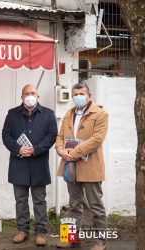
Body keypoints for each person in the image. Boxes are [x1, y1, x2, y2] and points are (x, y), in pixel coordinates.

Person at [2, 84, 57, 246]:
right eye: (27, 93)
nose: (30, 95)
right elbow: (6, 135)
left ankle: (41, 232)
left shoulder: (48, 114)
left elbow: (52, 135)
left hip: (39, 163)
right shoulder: (12, 114)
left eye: (33, 93)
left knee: (39, 199)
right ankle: (22, 230)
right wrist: (18, 148)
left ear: (38, 96)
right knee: (21, 199)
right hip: (19, 163)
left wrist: (35, 150)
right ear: (21, 97)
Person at [56, 83, 108, 250]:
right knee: (73, 204)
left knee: (96, 205)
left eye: (81, 93)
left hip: (91, 166)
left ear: (89, 95)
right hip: (71, 166)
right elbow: (60, 136)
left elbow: (98, 139)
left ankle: (100, 242)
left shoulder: (101, 114)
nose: (78, 96)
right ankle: (70, 238)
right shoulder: (68, 113)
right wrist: (60, 150)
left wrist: (74, 151)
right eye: (75, 94)